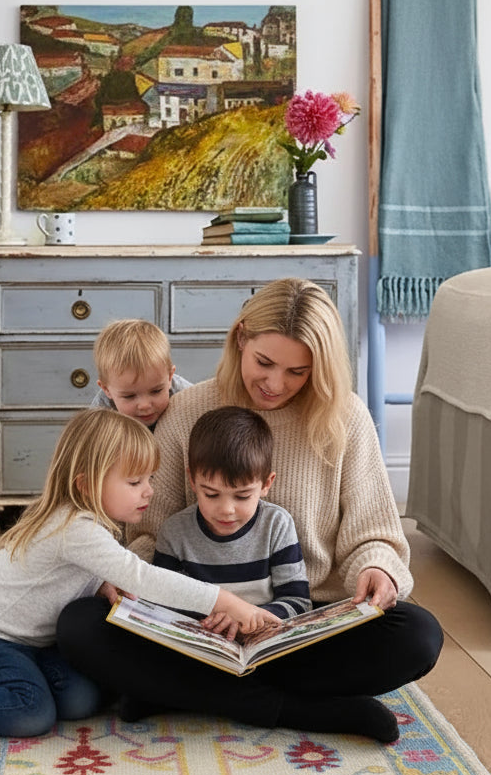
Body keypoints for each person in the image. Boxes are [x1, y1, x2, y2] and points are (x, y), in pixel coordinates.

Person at [56, 278, 443, 744]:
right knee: (79, 624)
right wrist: (133, 579)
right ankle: (298, 709)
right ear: (240, 338)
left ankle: (181, 693)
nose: (275, 384)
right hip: (196, 624)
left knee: (418, 635)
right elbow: (151, 534)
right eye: (264, 362)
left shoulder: (347, 419)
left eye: (298, 371)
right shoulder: (186, 411)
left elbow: (375, 535)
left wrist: (378, 570)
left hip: (300, 622)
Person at [0, 410, 275, 752]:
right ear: (87, 484)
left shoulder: (92, 524)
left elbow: (73, 575)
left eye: (148, 480)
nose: (148, 491)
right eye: (134, 482)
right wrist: (226, 602)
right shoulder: (75, 527)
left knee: (81, 701)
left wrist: (101, 585)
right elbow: (141, 576)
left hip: (31, 646)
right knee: (32, 712)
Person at [153, 405, 311, 622]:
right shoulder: (174, 532)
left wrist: (251, 618)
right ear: (192, 480)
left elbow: (298, 602)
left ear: (266, 483)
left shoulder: (276, 525)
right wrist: (216, 618)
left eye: (242, 496)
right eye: (211, 494)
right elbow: (164, 601)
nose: (227, 510)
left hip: (265, 638)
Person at [88, 318, 193, 430]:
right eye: (129, 396)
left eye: (156, 391)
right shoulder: (101, 411)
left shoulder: (187, 397)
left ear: (170, 377)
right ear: (106, 389)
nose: (145, 405)